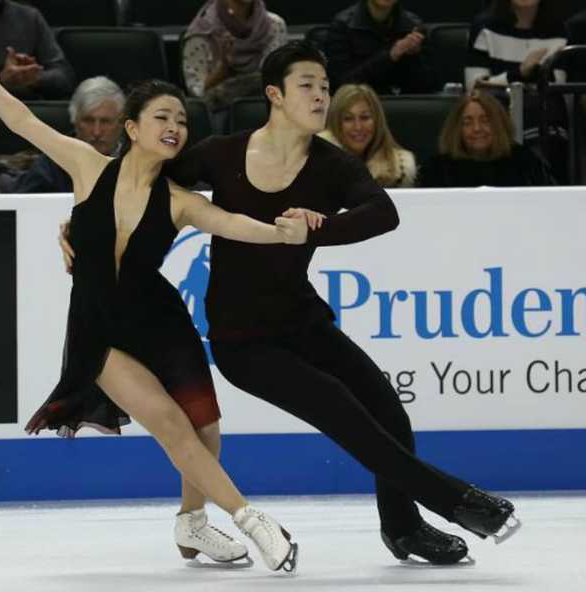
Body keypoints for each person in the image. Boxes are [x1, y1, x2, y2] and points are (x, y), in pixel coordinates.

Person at [60, 41, 522, 566]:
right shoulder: (221, 153)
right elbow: (139, 180)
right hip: (244, 342)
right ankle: (461, 502)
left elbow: (382, 212)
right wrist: (80, 227)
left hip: (303, 320)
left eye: (325, 86)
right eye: (308, 85)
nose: (321, 95)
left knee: (386, 410)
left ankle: (404, 528)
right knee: (349, 419)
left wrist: (315, 231)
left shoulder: (331, 165)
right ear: (275, 94)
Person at [0, 30, 307, 573]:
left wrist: (283, 234)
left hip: (159, 320)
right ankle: (255, 522)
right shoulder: (88, 166)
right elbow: (22, 121)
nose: (174, 128)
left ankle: (192, 523)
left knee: (205, 426)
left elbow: (231, 224)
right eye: (162, 117)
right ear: (132, 128)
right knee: (171, 425)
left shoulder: (179, 201)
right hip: (99, 328)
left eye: (180, 120)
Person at [466, 0, 569, 182]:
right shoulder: (485, 28)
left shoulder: (558, 30)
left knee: (551, 115)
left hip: (544, 118)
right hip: (497, 113)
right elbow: (475, 87)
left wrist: (525, 75)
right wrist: (520, 73)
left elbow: (557, 86)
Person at [8, 76, 124, 194]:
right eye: (88, 121)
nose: (96, 132)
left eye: (105, 122)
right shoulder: (50, 167)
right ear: (75, 122)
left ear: (121, 123)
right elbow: (25, 207)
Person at [419, 90, 556, 187]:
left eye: (485, 121)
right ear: (456, 129)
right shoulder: (437, 169)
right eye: (467, 122)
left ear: (499, 124)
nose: (477, 128)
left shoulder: (525, 162)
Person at [182, 0, 287, 111]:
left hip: (267, 105)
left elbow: (277, 79)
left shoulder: (274, 25)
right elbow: (197, 94)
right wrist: (222, 71)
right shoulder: (203, 32)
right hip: (219, 112)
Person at [325, 0, 438, 95]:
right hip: (360, 104)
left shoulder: (414, 25)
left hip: (403, 107)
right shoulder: (343, 25)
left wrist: (415, 56)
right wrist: (390, 55)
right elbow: (339, 85)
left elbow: (430, 86)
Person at [319, 83, 416, 188]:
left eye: (365, 117)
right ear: (336, 123)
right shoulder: (316, 163)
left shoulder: (400, 173)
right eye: (348, 118)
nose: (358, 127)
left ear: (377, 121)